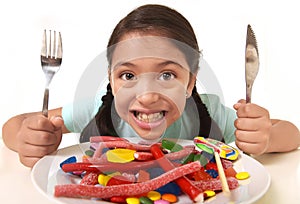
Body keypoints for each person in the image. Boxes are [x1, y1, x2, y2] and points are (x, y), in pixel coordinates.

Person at [2, 4, 299, 168]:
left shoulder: (209, 112)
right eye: (128, 76)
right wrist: (29, 137)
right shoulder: (96, 109)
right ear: (111, 80)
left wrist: (266, 137)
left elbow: (292, 134)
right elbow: (12, 126)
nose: (146, 96)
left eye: (167, 75)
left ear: (190, 81)